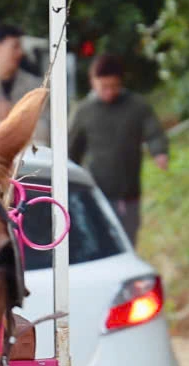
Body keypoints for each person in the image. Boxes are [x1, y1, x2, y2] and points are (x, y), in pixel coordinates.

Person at [68, 54, 167, 244]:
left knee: (129, 236)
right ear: (93, 82)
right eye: (103, 87)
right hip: (97, 190)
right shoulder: (84, 111)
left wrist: (159, 152)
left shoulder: (137, 106)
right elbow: (72, 149)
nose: (109, 92)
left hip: (129, 190)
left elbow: (153, 131)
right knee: (100, 238)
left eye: (114, 86)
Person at [0, 23, 48, 139]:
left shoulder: (34, 86)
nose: (20, 53)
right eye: (15, 47)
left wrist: (15, 116)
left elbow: (47, 131)